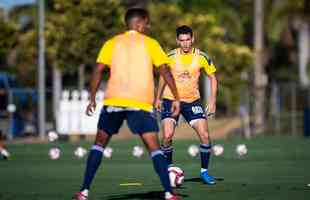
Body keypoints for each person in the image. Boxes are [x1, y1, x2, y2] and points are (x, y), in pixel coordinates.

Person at [72, 8, 182, 200]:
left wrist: (92, 98)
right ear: (140, 23)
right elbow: (164, 70)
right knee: (154, 148)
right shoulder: (151, 43)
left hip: (113, 100)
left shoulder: (112, 43)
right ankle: (168, 194)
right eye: (146, 24)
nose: (147, 27)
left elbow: (98, 70)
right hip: (139, 102)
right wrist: (176, 97)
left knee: (99, 144)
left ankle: (83, 192)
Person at [155, 25, 218, 185]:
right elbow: (163, 77)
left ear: (193, 39)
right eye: (181, 40)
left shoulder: (202, 57)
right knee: (167, 136)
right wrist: (158, 98)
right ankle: (169, 170)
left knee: (204, 136)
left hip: (192, 101)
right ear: (177, 41)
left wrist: (212, 101)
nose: (185, 43)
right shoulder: (169, 56)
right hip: (171, 100)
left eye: (188, 40)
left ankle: (204, 172)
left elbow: (213, 78)